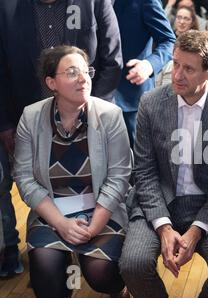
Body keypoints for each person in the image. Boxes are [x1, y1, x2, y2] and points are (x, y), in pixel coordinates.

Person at [119, 31, 208, 298]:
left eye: (188, 69)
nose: (177, 74)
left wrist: (196, 231)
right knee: (133, 265)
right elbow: (144, 170)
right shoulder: (151, 103)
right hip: (158, 200)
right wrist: (164, 227)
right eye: (175, 64)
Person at [0, 0, 122, 278]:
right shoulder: (6, 8)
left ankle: (103, 270)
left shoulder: (94, 2)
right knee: (48, 274)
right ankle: (52, 260)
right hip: (32, 124)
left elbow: (112, 59)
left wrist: (91, 113)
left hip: (91, 120)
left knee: (102, 270)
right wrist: (6, 123)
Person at [13, 46, 132, 298]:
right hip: (51, 211)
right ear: (51, 82)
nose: (83, 79)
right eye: (71, 72)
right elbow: (23, 178)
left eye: (86, 71)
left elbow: (119, 177)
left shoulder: (110, 115)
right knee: (47, 276)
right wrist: (60, 224)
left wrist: (93, 227)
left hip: (102, 210)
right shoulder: (31, 117)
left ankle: (119, 290)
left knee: (101, 273)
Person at [113, 0, 176, 148]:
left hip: (131, 96)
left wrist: (149, 64)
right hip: (92, 92)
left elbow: (169, 40)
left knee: (139, 162)